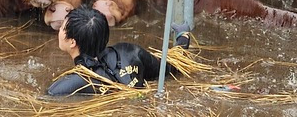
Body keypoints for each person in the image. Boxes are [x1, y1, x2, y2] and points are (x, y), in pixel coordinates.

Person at [48, 5, 190, 96]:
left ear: (72, 42)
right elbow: (171, 67)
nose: (59, 31)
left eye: (62, 28)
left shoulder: (67, 85)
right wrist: (183, 37)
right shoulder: (129, 52)